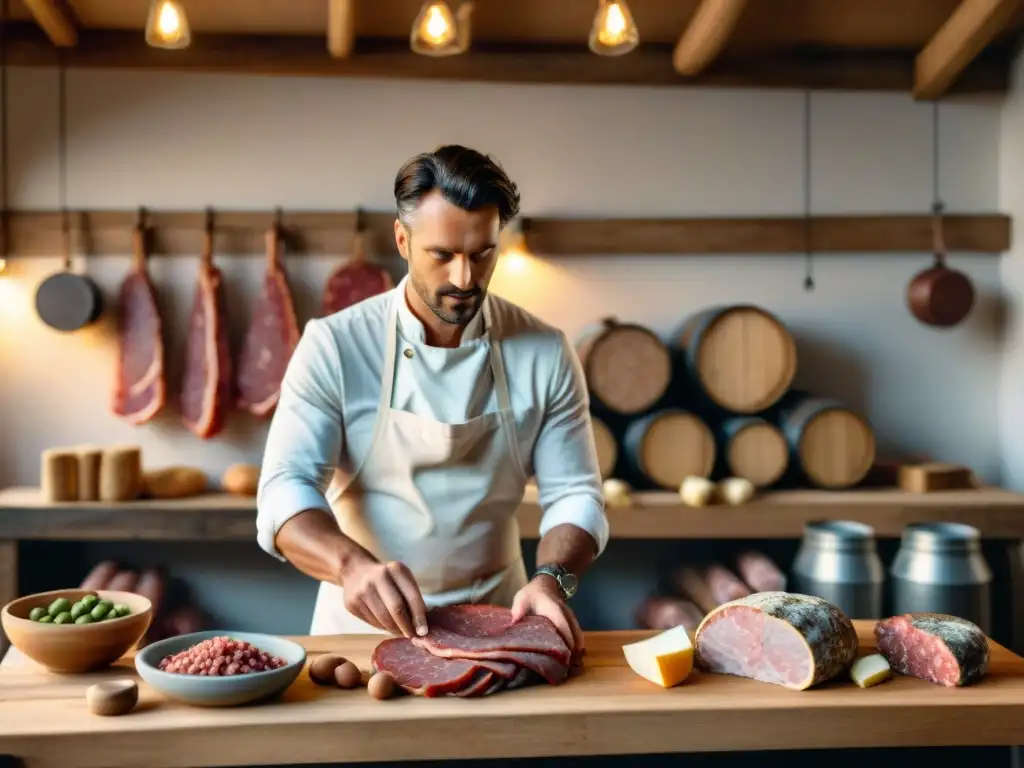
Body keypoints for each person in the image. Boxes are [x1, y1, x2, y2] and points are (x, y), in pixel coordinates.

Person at [255, 144, 608, 660]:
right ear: (403, 239)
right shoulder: (335, 344)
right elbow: (285, 489)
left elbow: (576, 494)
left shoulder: (545, 351)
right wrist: (351, 566)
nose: (464, 279)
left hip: (500, 623)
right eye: (442, 255)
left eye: (482, 253)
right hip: (361, 631)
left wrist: (553, 580)